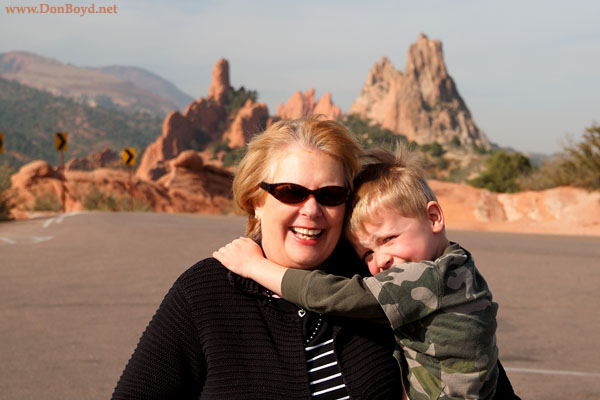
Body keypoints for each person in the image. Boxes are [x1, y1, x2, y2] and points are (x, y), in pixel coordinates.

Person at [111, 116, 406, 399]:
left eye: (329, 195)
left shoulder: (372, 277)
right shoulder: (206, 292)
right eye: (291, 192)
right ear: (256, 203)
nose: (312, 210)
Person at [214, 146, 517, 399]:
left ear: (434, 218)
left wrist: (256, 267)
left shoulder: (428, 278)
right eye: (367, 253)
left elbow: (336, 297)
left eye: (388, 239)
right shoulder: (458, 263)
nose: (381, 260)